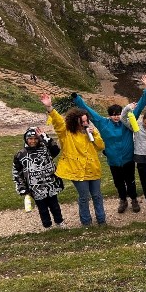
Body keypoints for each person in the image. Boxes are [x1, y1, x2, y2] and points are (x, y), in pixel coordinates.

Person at [72, 74, 146, 214]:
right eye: (113, 114)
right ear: (109, 115)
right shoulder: (103, 123)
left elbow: (139, 108)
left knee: (131, 181)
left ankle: (133, 199)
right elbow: (88, 110)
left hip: (128, 159)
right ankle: (123, 200)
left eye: (118, 114)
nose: (116, 116)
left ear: (122, 114)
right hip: (113, 161)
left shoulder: (126, 122)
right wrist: (77, 99)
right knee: (119, 183)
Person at [40, 93, 107, 226]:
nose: (84, 123)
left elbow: (100, 146)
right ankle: (86, 222)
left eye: (86, 120)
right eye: (81, 121)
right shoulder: (66, 133)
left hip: (92, 169)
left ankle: (102, 220)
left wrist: (93, 135)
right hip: (77, 171)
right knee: (84, 197)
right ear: (74, 121)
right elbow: (58, 122)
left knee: (97, 196)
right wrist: (50, 108)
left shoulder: (91, 131)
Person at [12, 127, 65, 228]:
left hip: (50, 184)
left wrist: (45, 137)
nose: (33, 141)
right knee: (42, 208)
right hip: (35, 188)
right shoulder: (20, 155)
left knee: (55, 206)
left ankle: (59, 222)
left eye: (35, 138)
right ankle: (47, 225)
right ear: (26, 139)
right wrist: (21, 187)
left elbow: (56, 149)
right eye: (30, 138)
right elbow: (17, 172)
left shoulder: (46, 149)